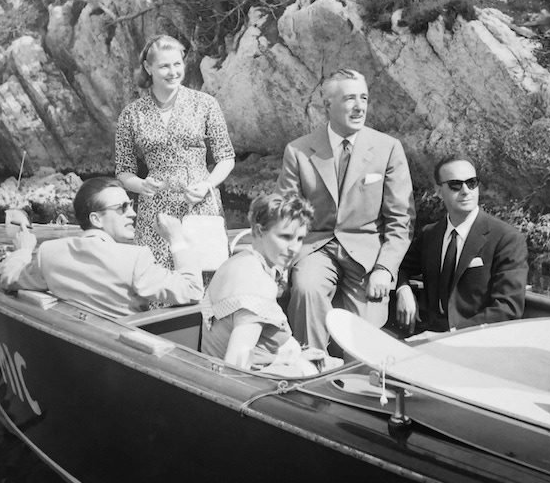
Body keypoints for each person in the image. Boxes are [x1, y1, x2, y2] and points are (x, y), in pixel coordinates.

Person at [275, 68, 415, 353]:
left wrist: (385, 269)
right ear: (328, 105)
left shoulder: (387, 148)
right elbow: (285, 215)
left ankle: (356, 380)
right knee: (306, 288)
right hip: (315, 247)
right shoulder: (298, 151)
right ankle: (309, 369)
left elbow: (402, 220)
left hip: (366, 255)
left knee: (363, 341)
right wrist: (278, 263)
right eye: (350, 98)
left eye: (363, 98)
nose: (359, 106)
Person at [0, 177, 203, 318]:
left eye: (131, 204)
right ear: (96, 219)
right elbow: (193, 290)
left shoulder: (49, 253)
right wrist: (177, 239)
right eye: (122, 208)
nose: (132, 213)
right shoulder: (136, 258)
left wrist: (23, 250)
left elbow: (9, 278)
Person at [115, 35, 235, 268]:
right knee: (156, 282)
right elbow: (123, 171)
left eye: (177, 64)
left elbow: (226, 158)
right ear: (148, 68)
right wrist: (140, 185)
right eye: (164, 66)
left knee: (206, 274)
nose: (172, 72)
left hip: (200, 203)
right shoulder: (131, 114)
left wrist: (208, 184)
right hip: (155, 211)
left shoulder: (206, 104)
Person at [396, 155, 528, 334]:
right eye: (455, 185)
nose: (466, 191)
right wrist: (403, 290)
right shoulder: (430, 234)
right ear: (439, 191)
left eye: (472, 183)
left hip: (475, 341)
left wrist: (452, 333)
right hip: (427, 334)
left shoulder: (506, 238)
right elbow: (399, 266)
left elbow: (508, 308)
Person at [201, 192, 328, 374]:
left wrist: (294, 357)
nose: (294, 248)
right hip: (250, 390)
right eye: (285, 237)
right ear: (260, 231)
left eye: (300, 238)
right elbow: (235, 367)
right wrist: (298, 367)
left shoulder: (238, 261)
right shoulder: (256, 283)